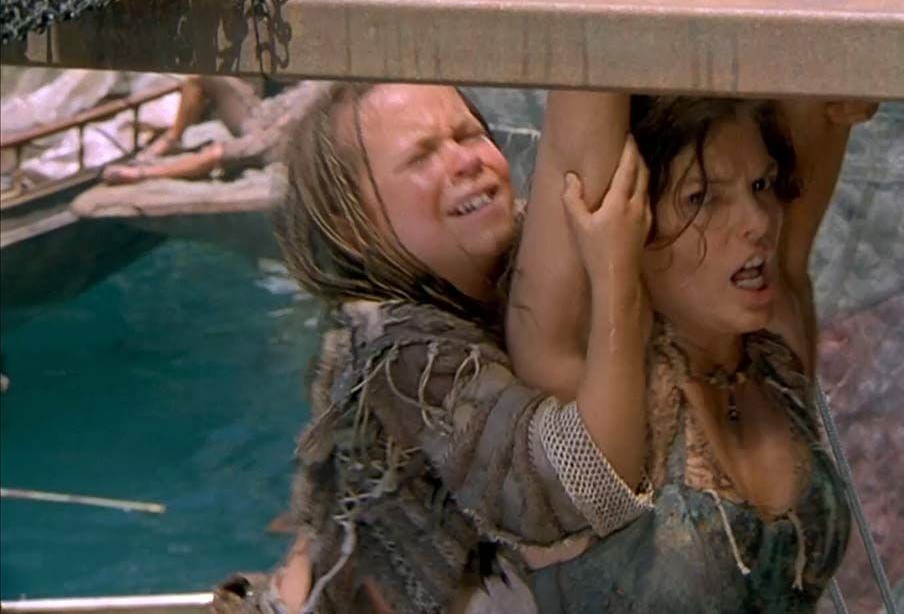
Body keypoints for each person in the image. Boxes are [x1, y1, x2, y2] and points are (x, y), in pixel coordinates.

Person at [506, 0, 881, 610]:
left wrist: (860, 53)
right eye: (702, 198)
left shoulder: (772, 331)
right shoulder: (577, 361)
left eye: (762, 185)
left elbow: (833, 6)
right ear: (636, 217)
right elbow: (580, 56)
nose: (758, 222)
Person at [228, 81, 653, 613]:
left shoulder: (509, 262)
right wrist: (616, 278)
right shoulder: (400, 353)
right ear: (351, 225)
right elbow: (576, 491)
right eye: (421, 156)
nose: (465, 161)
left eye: (470, 134)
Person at [101, 76, 314, 185]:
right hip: (263, 114)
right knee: (202, 75)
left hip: (276, 136)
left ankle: (142, 173)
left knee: (221, 153)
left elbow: (218, 155)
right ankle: (172, 138)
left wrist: (142, 174)